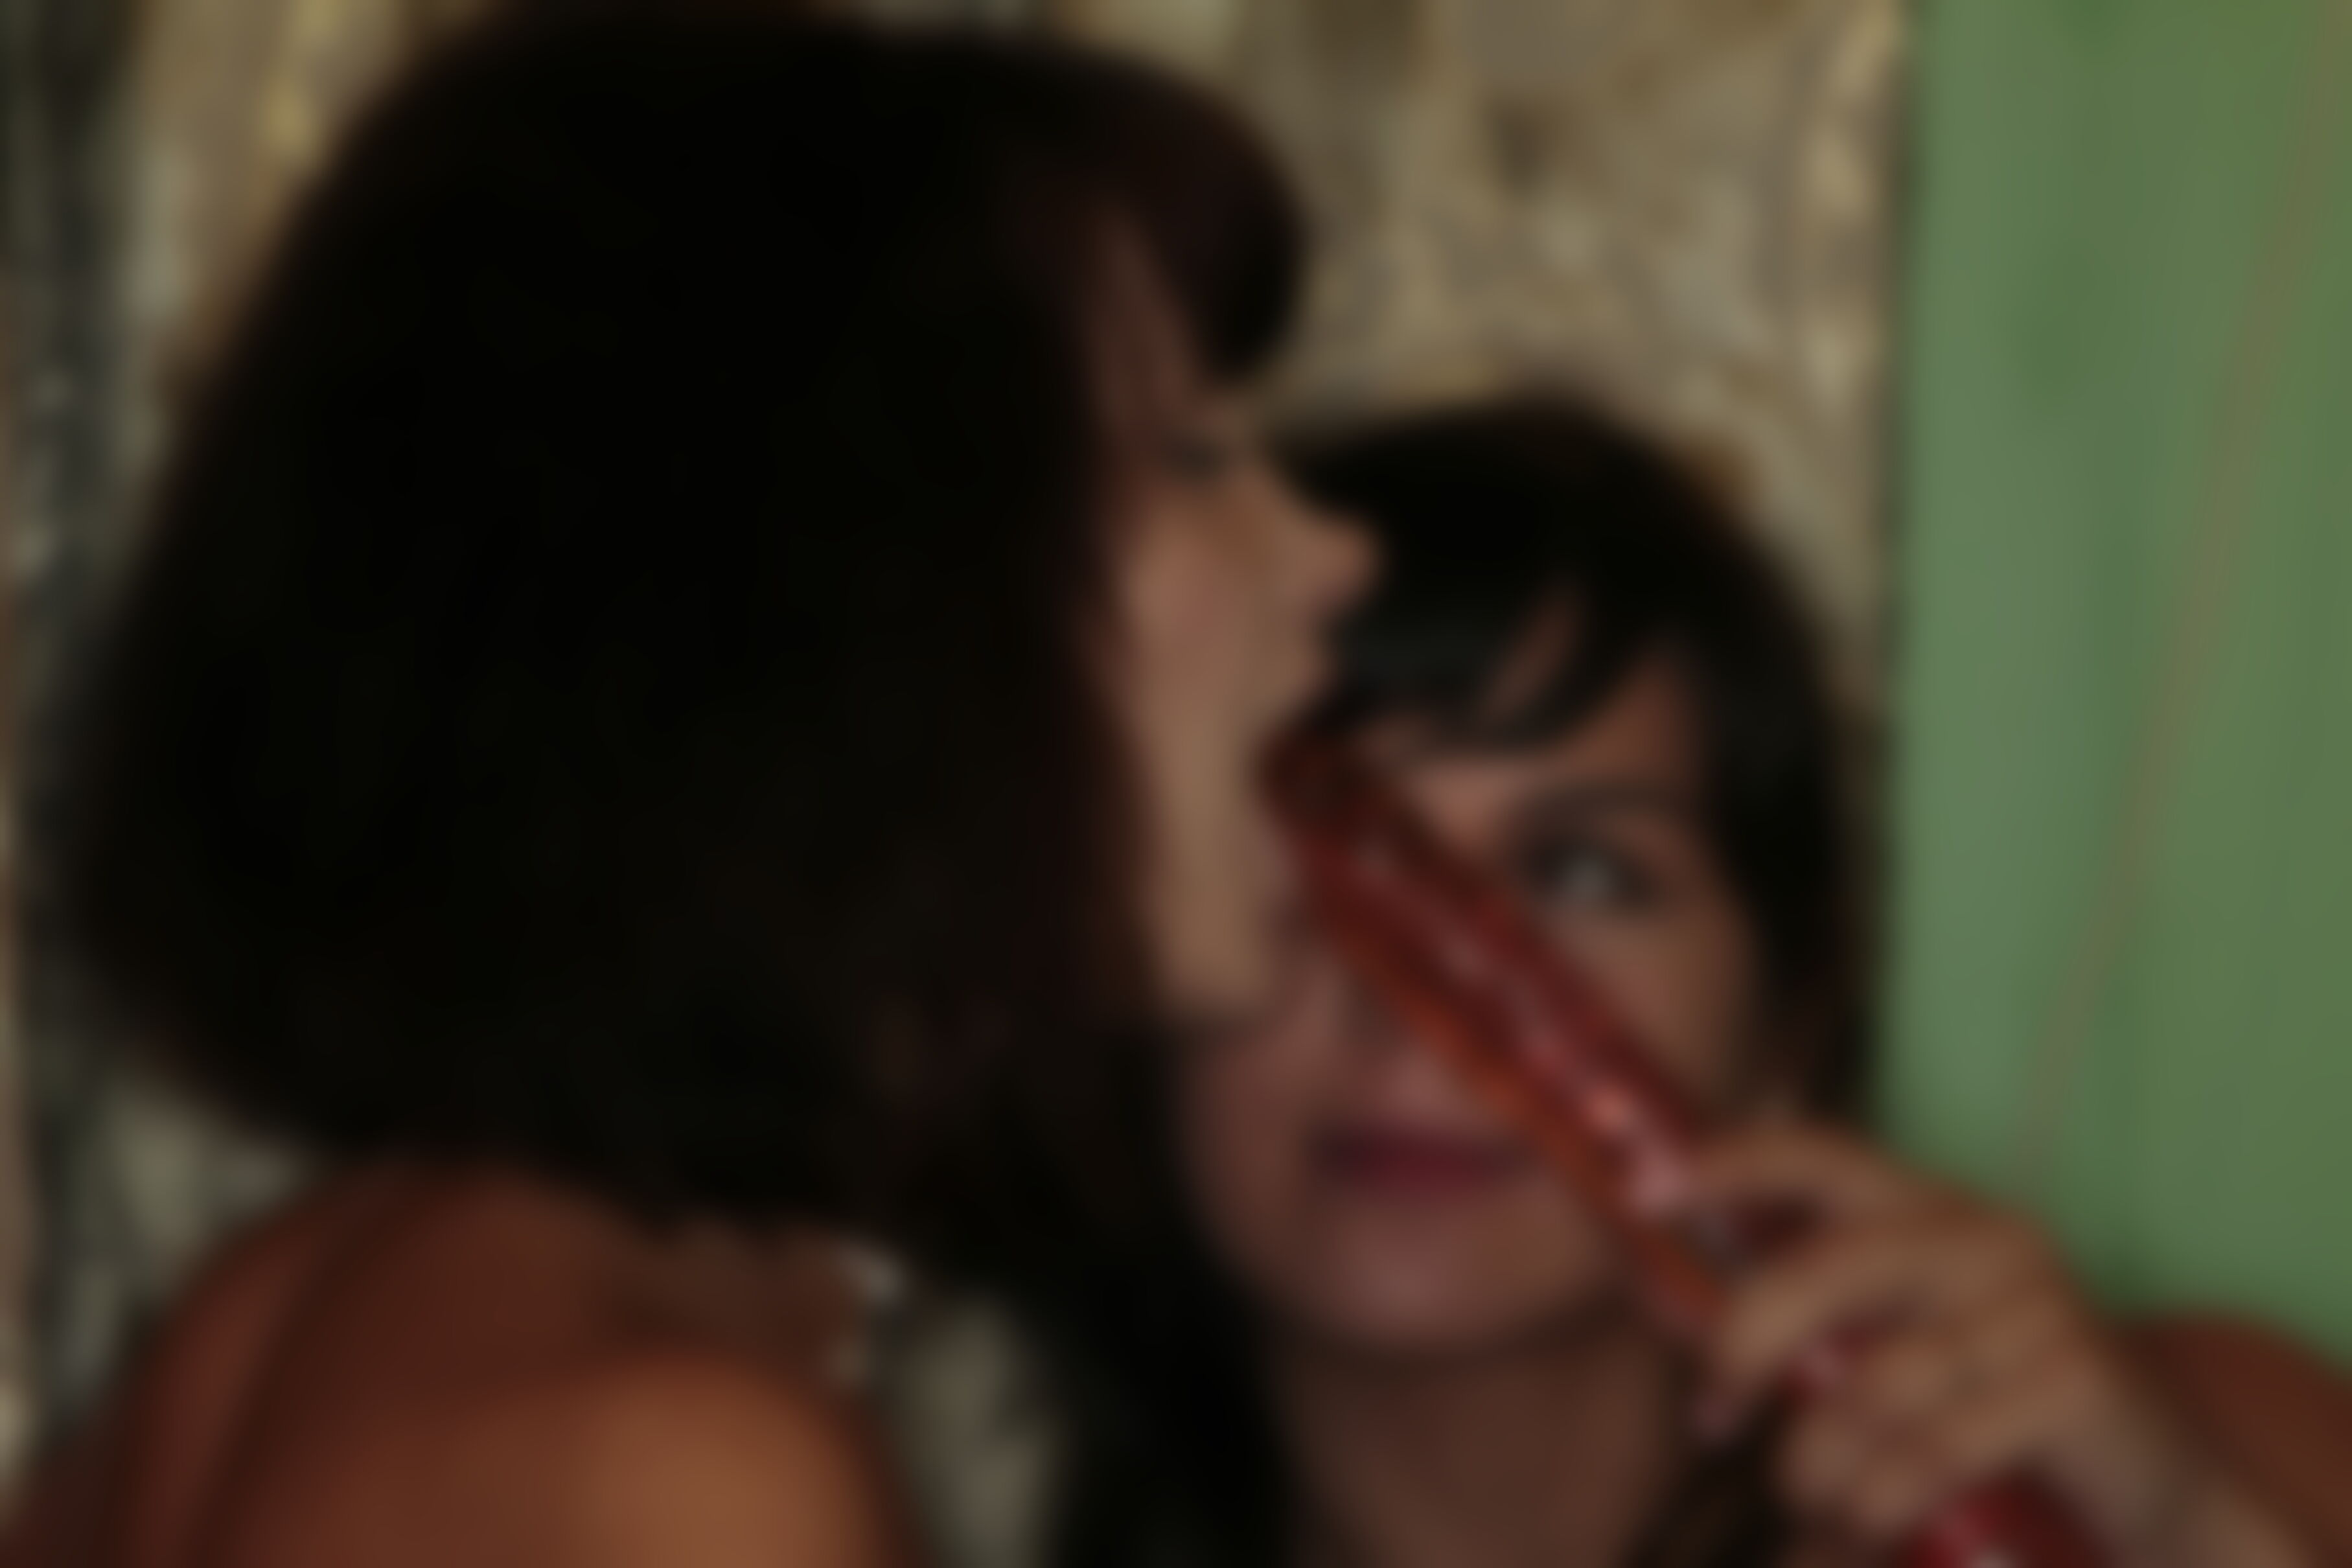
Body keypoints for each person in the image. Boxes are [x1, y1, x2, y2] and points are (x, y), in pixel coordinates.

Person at [0, 10, 1371, 1567]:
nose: (1335, 554)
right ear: (836, 620)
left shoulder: (293, 1303)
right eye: (1187, 457)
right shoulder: (677, 1477)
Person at [1045, 398, 2350, 1568]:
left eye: (1581, 872)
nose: (1422, 1003)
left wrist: (2199, 1537)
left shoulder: (2201, 1448)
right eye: (1318, 869)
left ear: (1785, 1012)